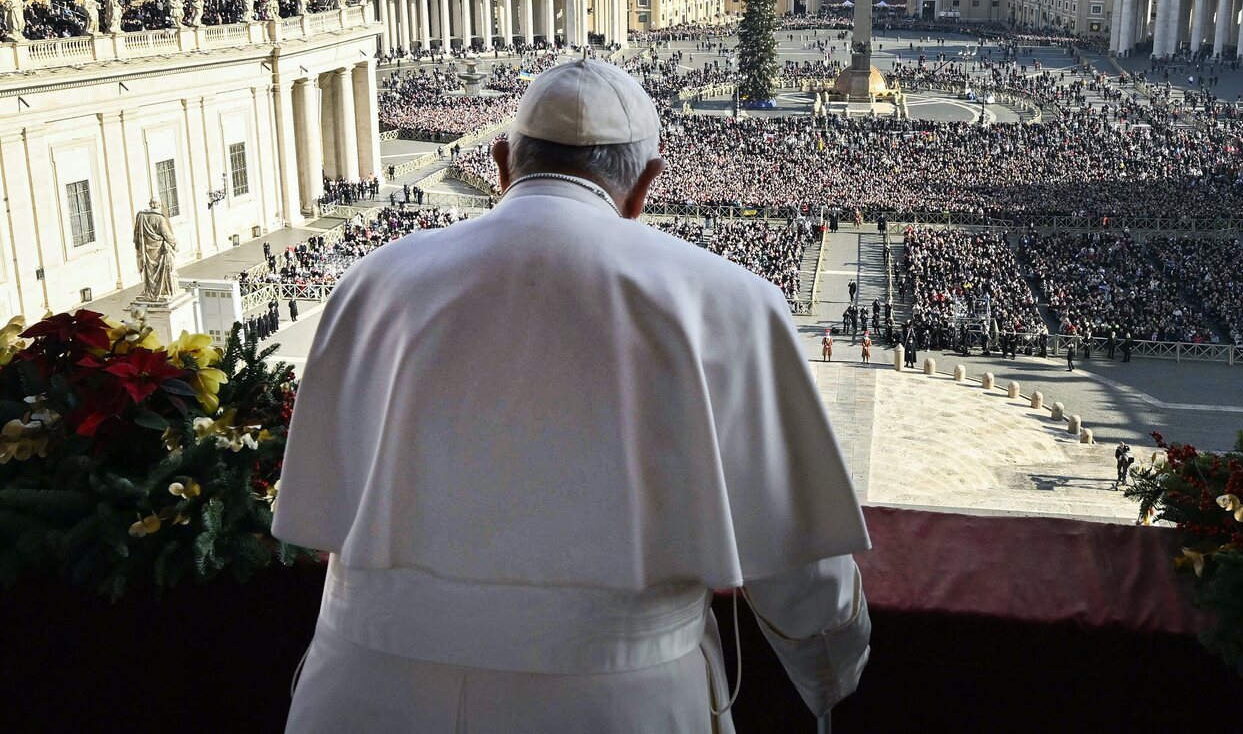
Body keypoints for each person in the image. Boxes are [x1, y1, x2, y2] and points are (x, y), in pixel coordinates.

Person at [275, 58, 871, 733]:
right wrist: (833, 675)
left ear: (502, 161)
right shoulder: (730, 301)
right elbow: (800, 568)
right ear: (647, 184)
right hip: (614, 703)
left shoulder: (371, 281)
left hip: (360, 692)